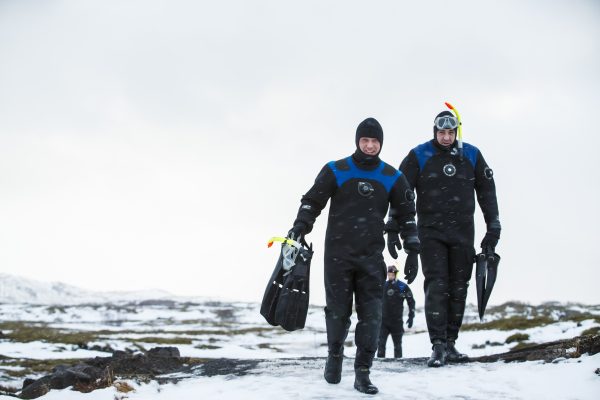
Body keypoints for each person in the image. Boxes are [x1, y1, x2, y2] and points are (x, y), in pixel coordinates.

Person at [288, 118, 419, 395]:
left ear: (381, 143)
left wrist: (413, 248)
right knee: (338, 312)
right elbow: (312, 201)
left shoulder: (392, 176)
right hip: (338, 255)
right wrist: (300, 226)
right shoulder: (337, 170)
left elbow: (407, 214)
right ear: (357, 141)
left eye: (375, 141)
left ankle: (363, 372)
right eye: (365, 140)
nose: (370, 146)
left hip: (371, 257)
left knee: (372, 315)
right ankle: (335, 355)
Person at [395, 110, 500, 367]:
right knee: (437, 285)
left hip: (463, 232)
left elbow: (487, 191)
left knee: (459, 287)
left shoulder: (472, 155)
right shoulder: (419, 155)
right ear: (435, 131)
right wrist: (395, 224)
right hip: (430, 232)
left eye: (450, 133)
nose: (445, 137)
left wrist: (493, 225)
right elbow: (401, 192)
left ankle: (451, 343)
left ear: (456, 132)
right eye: (441, 132)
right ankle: (438, 345)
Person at [377, 265, 415, 359]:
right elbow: (374, 300)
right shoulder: (383, 286)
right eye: (389, 274)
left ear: (395, 274)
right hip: (383, 322)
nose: (390, 276)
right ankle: (380, 368)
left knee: (397, 346)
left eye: (392, 274)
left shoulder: (402, 286)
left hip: (397, 322)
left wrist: (411, 316)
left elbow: (411, 301)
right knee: (380, 345)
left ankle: (398, 367)